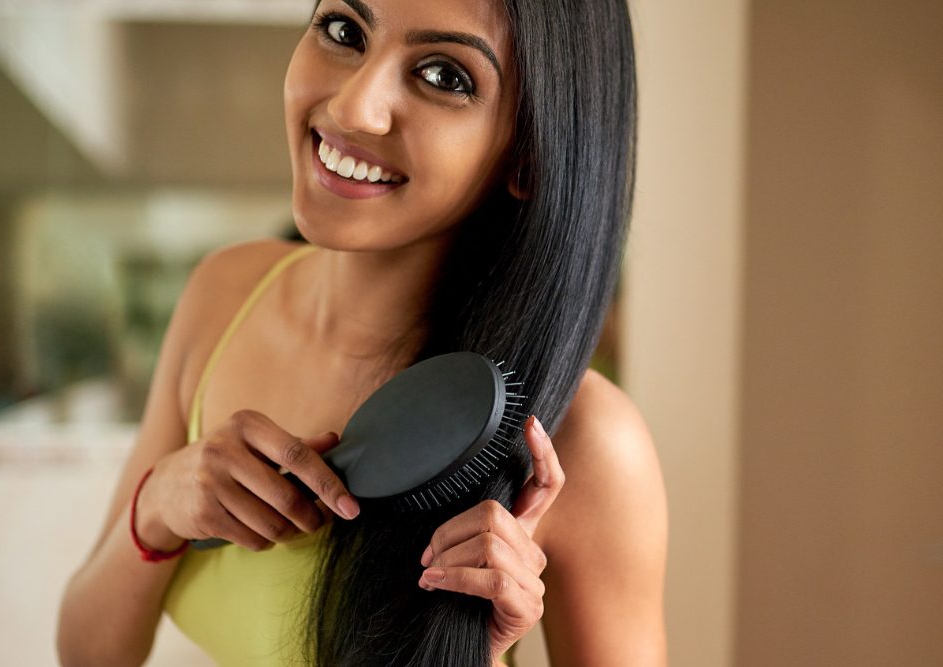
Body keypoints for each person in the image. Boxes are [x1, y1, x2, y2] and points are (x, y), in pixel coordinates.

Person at [57, 0, 667, 665]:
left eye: (445, 76)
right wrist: (157, 508)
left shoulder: (586, 443)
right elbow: (88, 650)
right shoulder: (222, 293)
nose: (354, 108)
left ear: (527, 154)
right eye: (344, 30)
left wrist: (476, 653)